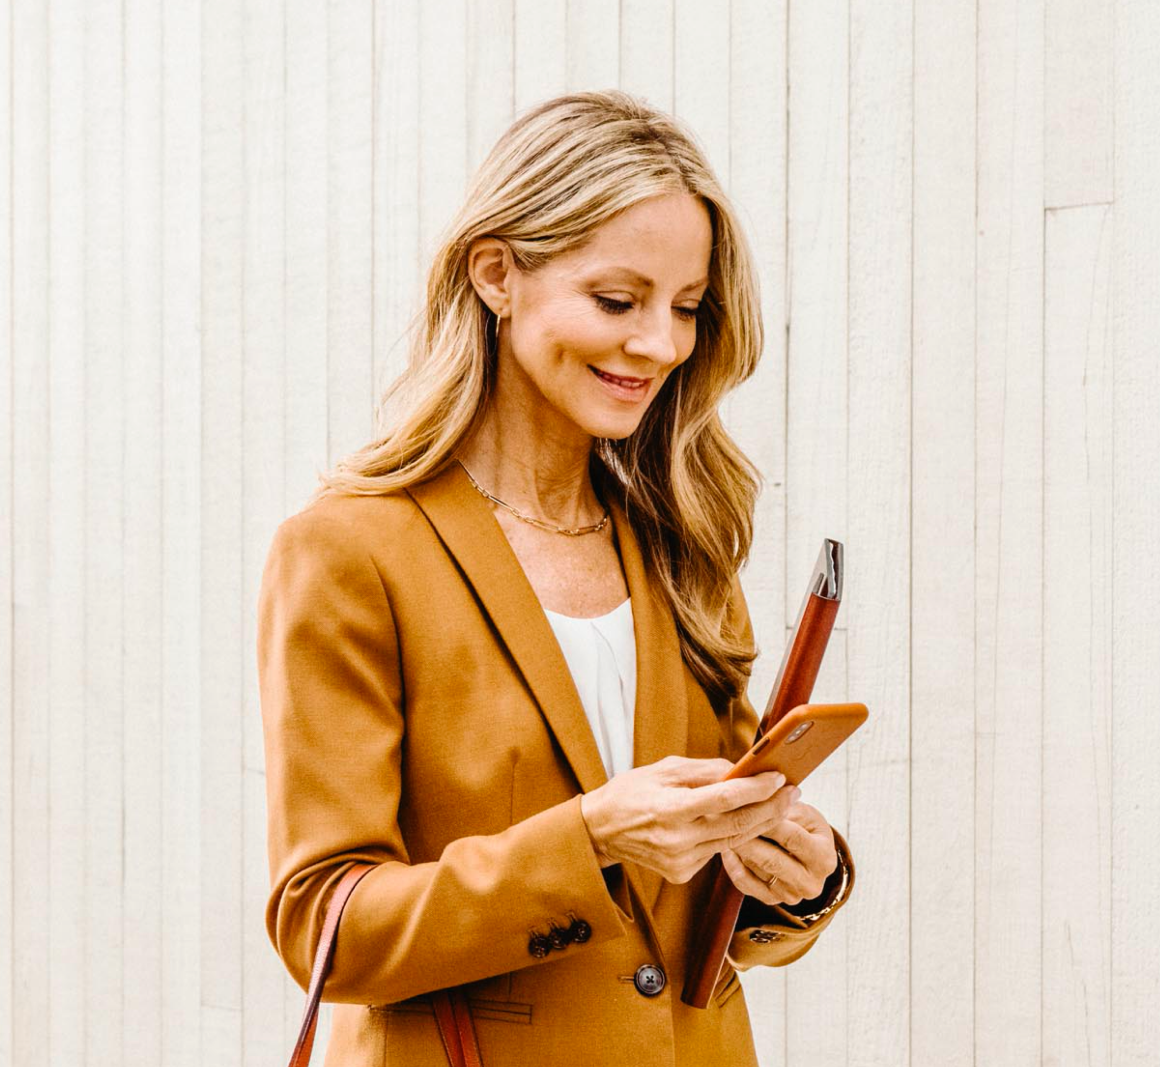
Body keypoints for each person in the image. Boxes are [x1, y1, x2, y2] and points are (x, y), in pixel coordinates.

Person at [257, 88, 855, 1066]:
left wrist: (797, 873)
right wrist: (590, 838)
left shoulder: (680, 545)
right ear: (497, 274)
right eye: (617, 300)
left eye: (688, 308)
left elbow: (701, 908)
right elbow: (325, 923)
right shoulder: (350, 550)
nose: (660, 343)